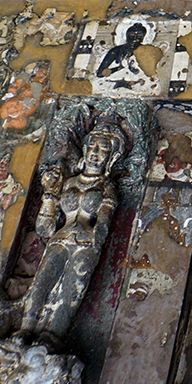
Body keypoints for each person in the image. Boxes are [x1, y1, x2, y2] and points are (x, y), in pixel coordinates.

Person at [19, 121, 128, 342]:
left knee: (72, 289)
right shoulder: (67, 183)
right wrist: (49, 195)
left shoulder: (107, 187)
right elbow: (45, 228)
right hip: (59, 239)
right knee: (41, 284)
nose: (96, 154)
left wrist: (96, 242)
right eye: (92, 148)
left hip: (86, 243)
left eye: (103, 149)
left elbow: (104, 222)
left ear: (111, 158)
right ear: (84, 150)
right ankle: (26, 327)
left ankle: (53, 335)